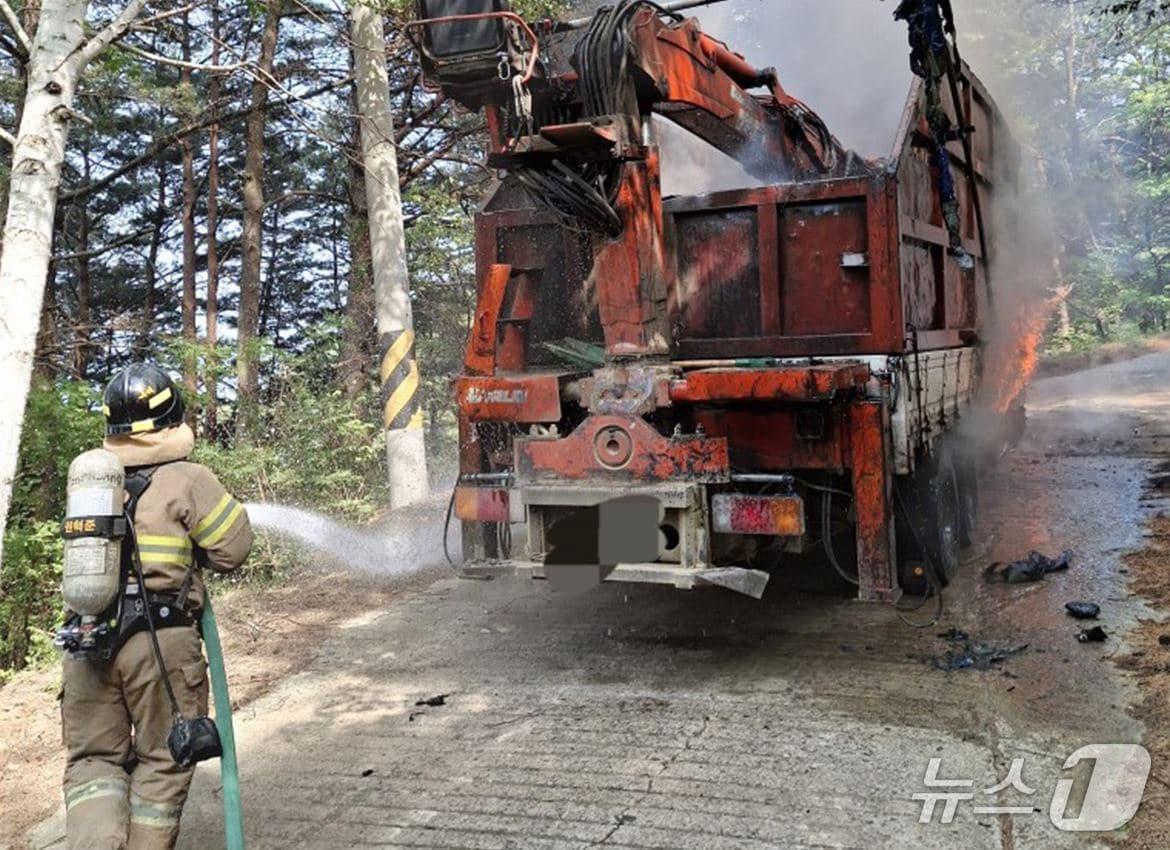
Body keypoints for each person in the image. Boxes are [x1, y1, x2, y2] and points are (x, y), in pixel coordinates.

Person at [61, 363, 253, 850]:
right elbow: (233, 550)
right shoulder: (188, 478)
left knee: (93, 763)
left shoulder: (91, 483)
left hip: (86, 639)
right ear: (173, 417)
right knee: (163, 759)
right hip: (159, 645)